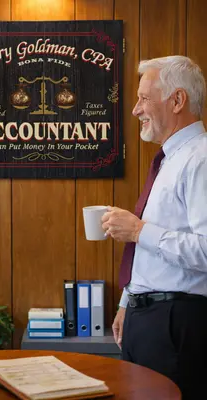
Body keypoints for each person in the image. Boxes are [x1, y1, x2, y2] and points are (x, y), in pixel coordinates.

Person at [102, 55, 207, 399]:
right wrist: (127, 303)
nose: (135, 110)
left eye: (144, 98)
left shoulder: (201, 158)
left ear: (177, 101)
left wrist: (137, 231)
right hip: (146, 321)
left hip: (175, 324)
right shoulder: (171, 158)